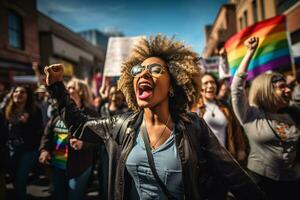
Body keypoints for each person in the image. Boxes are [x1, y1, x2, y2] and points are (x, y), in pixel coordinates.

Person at [44, 35, 265, 200]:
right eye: (138, 69)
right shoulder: (120, 125)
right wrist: (56, 87)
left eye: (156, 69)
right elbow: (79, 125)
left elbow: (235, 177)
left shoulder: (194, 127)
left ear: (173, 84)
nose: (144, 73)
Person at [231, 36, 300, 200]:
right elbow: (236, 88)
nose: (288, 90)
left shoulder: (292, 114)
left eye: (288, 87)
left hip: (293, 184)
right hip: (261, 184)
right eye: (281, 87)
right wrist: (250, 52)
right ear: (266, 90)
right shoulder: (250, 115)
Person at [39, 78, 98, 200]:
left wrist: (84, 143)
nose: (67, 90)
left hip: (78, 167)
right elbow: (47, 134)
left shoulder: (91, 114)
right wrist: (44, 150)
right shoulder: (59, 111)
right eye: (67, 87)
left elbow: (99, 138)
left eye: (71, 87)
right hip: (57, 165)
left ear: (81, 92)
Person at [192, 73, 246, 164]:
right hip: (206, 159)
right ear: (200, 88)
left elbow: (236, 128)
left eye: (212, 82)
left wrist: (241, 149)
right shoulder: (195, 108)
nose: (210, 85)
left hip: (226, 156)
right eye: (206, 83)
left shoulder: (224, 106)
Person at [0, 85, 43, 199]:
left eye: (22, 92)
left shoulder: (34, 111)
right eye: (16, 91)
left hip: (28, 151)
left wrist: (27, 123)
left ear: (28, 96)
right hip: (10, 150)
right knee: (14, 179)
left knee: (20, 180)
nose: (18, 94)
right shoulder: (5, 110)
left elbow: (38, 133)